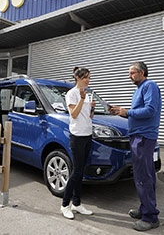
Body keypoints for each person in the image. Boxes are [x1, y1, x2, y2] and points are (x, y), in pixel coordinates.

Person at [110, 62, 161, 232]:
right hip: (139, 136)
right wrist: (121, 112)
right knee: (145, 175)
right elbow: (139, 112)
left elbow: (150, 110)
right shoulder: (140, 89)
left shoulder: (150, 86)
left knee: (143, 177)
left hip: (144, 137)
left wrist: (127, 112)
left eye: (132, 73)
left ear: (141, 72)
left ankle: (150, 218)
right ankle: (145, 208)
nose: (129, 76)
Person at [60, 67, 96, 219]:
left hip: (87, 135)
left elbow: (88, 117)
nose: (88, 80)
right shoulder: (72, 94)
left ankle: (77, 204)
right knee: (76, 172)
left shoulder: (86, 95)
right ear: (78, 78)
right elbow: (74, 115)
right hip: (77, 137)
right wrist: (81, 99)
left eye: (89, 77)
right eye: (85, 77)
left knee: (80, 172)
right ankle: (64, 205)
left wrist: (92, 109)